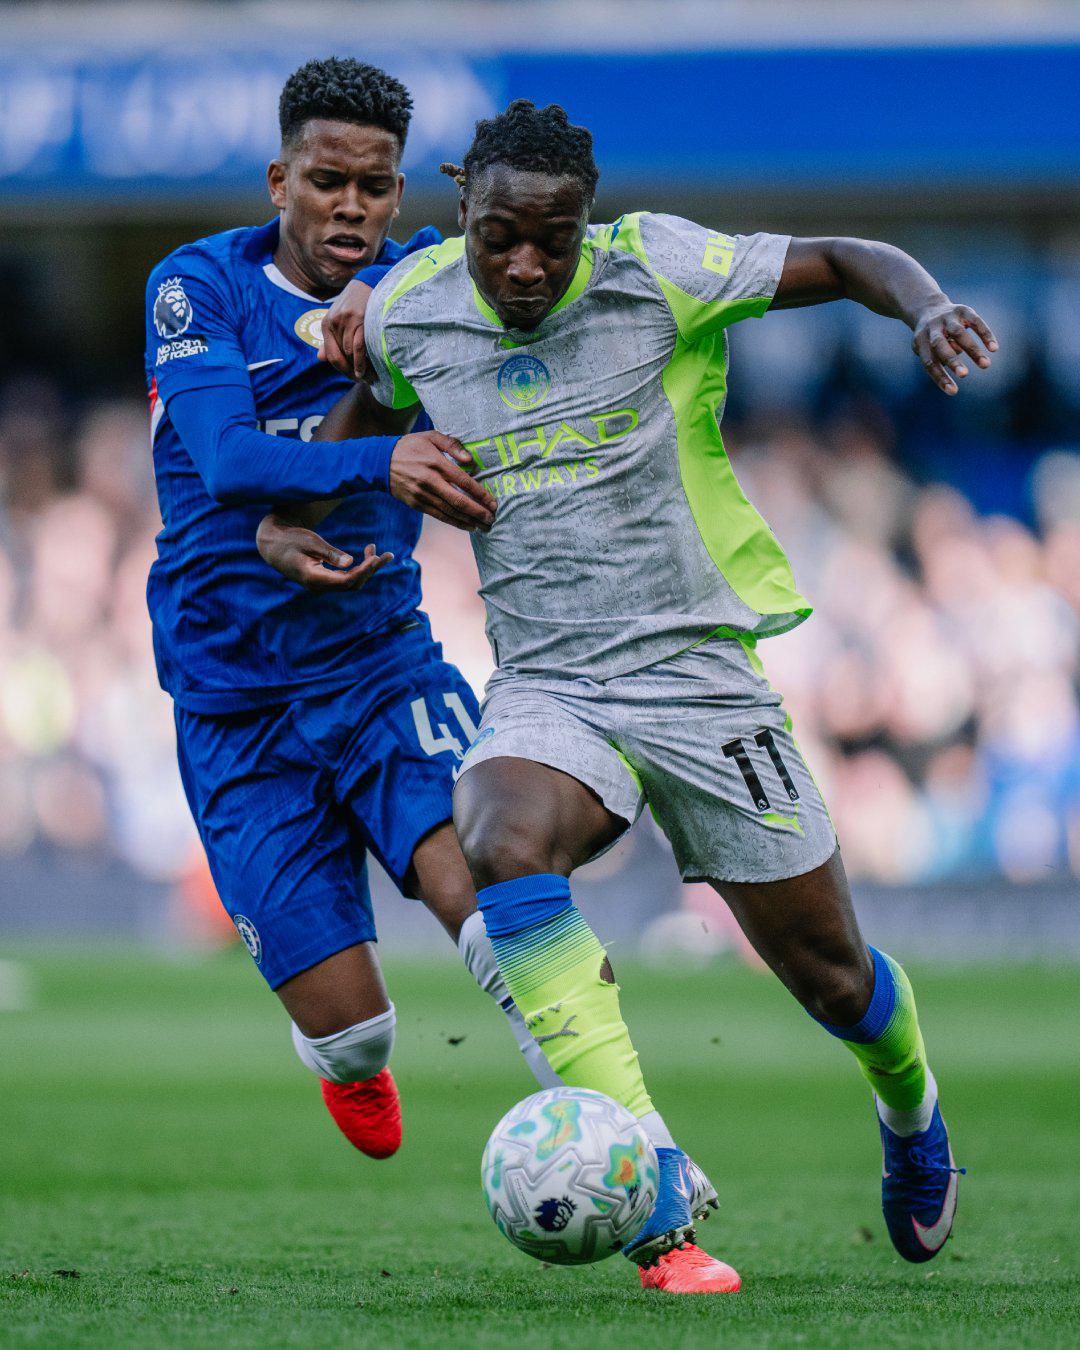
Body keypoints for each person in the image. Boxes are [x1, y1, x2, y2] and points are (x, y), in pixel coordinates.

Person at [257, 99, 996, 1293]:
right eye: (502, 236)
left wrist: (929, 307)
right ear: (463, 208)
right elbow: (373, 408)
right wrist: (298, 513)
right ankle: (653, 1179)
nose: (528, 266)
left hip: (701, 677)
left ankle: (912, 1112)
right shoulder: (410, 308)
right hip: (550, 681)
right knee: (497, 834)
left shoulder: (659, 267)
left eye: (555, 238)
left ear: (590, 222)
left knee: (836, 979)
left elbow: (852, 258)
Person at [143, 58, 560, 1167]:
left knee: (490, 899)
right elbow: (230, 460)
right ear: (281, 179)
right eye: (327, 181)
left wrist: (408, 275)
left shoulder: (424, 279)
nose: (350, 207)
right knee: (356, 1032)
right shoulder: (197, 288)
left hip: (381, 665)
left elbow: (496, 257)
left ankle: (635, 1161)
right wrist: (391, 454)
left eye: (375, 189)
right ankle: (345, 1056)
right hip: (236, 701)